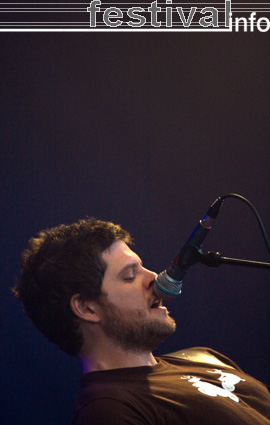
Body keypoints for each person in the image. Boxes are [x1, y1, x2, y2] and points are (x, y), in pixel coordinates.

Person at [13, 218, 270, 425]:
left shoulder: (201, 357)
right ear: (87, 307)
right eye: (129, 276)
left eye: (143, 267)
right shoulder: (108, 410)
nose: (153, 278)